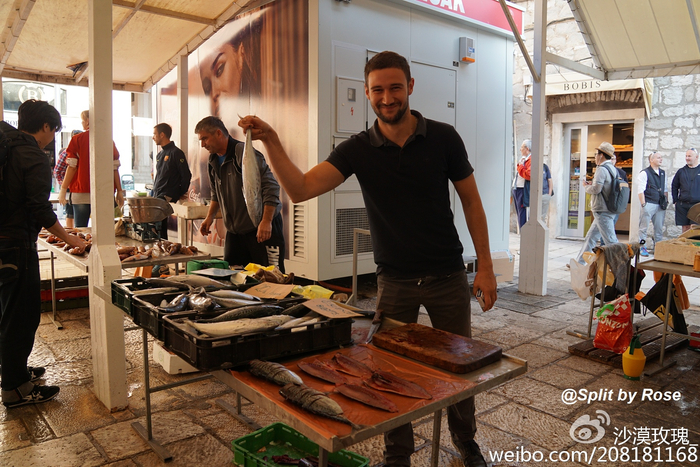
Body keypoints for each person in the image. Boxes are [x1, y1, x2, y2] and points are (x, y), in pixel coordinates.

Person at [239, 51, 497, 467]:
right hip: (394, 281)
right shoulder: (357, 149)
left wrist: (485, 266)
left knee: (458, 366)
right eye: (378, 90)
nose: (387, 97)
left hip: (448, 276)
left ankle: (466, 442)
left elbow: (471, 201)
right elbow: (301, 189)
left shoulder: (444, 137)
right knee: (387, 372)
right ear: (367, 93)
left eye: (395, 87)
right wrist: (271, 140)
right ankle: (398, 455)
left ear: (410, 86)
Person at [0, 100, 87, 408]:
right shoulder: (32, 155)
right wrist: (70, 238)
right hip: (16, 244)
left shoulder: (7, 144)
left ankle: (13, 370)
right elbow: (40, 209)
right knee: (22, 316)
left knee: (7, 311)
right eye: (54, 131)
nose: (52, 138)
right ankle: (15, 388)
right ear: (46, 126)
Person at [196, 116, 285, 272]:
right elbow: (216, 193)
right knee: (232, 276)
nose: (202, 144)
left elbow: (271, 187)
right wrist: (209, 217)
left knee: (270, 277)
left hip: (260, 229)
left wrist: (266, 221)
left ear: (218, 133)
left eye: (205, 138)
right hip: (235, 232)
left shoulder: (241, 153)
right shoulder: (213, 160)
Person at [58, 110, 124, 227]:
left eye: (83, 121)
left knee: (81, 229)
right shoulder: (108, 141)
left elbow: (72, 167)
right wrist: (119, 190)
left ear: (88, 121)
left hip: (81, 192)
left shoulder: (77, 140)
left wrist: (63, 190)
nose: (82, 123)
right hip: (104, 192)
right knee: (105, 230)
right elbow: (114, 168)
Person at [575, 142, 618, 264]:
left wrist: (585, 187)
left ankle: (621, 266)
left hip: (602, 209)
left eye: (596, 154)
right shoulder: (612, 169)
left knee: (611, 241)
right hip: (607, 208)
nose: (595, 156)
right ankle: (580, 263)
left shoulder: (602, 169)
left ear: (601, 155)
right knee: (591, 237)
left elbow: (596, 189)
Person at [151, 123, 192, 240]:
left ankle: (163, 247)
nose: (153, 137)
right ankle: (159, 247)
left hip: (167, 195)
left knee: (159, 226)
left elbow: (186, 175)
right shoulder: (160, 154)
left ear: (162, 135)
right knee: (155, 227)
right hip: (157, 194)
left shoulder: (176, 153)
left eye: (154, 134)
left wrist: (180, 192)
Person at [637, 152, 667, 255]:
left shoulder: (662, 173)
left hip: (660, 205)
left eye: (661, 157)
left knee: (659, 228)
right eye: (658, 157)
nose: (661, 159)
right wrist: (643, 204)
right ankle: (642, 248)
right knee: (643, 228)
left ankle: (658, 249)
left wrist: (665, 201)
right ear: (651, 160)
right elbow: (640, 190)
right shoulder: (644, 173)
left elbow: (665, 189)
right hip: (649, 203)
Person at [53, 129, 82, 228]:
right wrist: (65, 185)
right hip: (71, 187)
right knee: (70, 212)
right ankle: (71, 232)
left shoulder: (86, 151)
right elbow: (57, 171)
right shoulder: (67, 152)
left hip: (82, 186)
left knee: (78, 214)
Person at [671, 148, 700, 232]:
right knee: (685, 229)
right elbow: (674, 186)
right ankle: (684, 241)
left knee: (695, 229)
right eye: (686, 156)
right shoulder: (681, 171)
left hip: (697, 205)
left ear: (696, 157)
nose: (687, 158)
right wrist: (675, 200)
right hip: (683, 205)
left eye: (689, 156)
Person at [512, 139, 531, 228]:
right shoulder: (524, 159)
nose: (520, 149)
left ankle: (523, 232)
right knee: (519, 213)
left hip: (522, 189)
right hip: (517, 188)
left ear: (527, 149)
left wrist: (520, 166)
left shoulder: (530, 160)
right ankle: (522, 232)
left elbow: (528, 175)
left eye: (522, 147)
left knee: (522, 213)